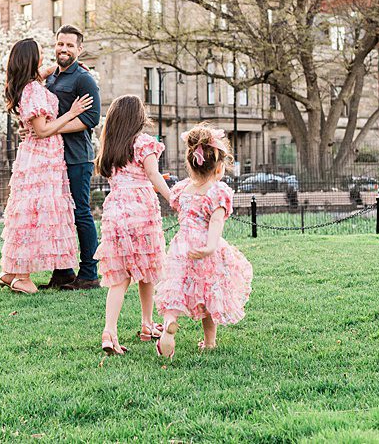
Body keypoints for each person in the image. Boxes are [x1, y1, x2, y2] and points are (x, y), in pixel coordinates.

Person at [0, 38, 93, 295]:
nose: (43, 57)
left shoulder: (26, 85)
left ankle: (12, 272)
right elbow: (42, 130)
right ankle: (22, 278)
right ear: (31, 59)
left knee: (27, 213)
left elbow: (42, 74)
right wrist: (71, 113)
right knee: (34, 215)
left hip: (33, 156)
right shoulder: (34, 90)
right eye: (39, 54)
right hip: (41, 158)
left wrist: (65, 66)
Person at [155, 123, 253, 358]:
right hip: (206, 247)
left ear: (190, 164)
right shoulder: (217, 192)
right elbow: (216, 223)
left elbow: (172, 199)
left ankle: (169, 324)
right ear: (219, 168)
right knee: (209, 293)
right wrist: (209, 246)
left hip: (182, 246)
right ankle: (209, 342)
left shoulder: (183, 190)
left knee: (177, 288)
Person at [92, 95, 172, 354]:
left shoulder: (111, 147)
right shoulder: (144, 143)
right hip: (141, 213)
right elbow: (151, 174)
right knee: (147, 268)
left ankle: (111, 330)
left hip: (116, 212)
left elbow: (136, 176)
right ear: (138, 117)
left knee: (120, 278)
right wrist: (172, 196)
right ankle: (147, 322)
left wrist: (154, 179)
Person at [43, 25, 102, 290]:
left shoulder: (83, 78)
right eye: (60, 44)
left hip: (77, 158)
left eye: (69, 45)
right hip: (53, 159)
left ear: (79, 49)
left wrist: (51, 130)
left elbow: (91, 118)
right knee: (58, 215)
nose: (63, 49)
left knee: (80, 214)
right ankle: (63, 271)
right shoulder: (51, 78)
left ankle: (89, 274)